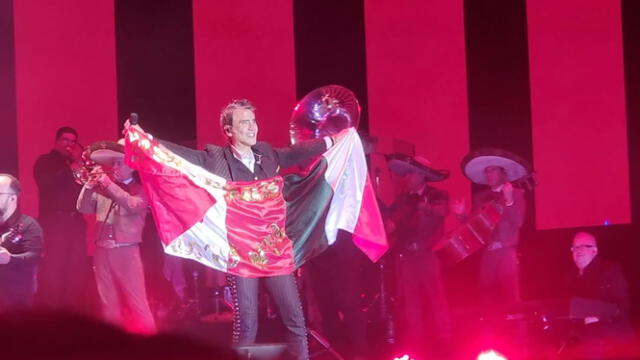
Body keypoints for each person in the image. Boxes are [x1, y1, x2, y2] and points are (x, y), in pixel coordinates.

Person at [135, 99, 336, 360]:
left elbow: (295, 152)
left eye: (253, 121)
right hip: (240, 253)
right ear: (229, 130)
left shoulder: (266, 153)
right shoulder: (217, 158)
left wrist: (332, 141)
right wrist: (146, 139)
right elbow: (181, 155)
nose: (253, 127)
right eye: (244, 122)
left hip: (273, 250)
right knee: (247, 323)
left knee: (294, 319)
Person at [77, 141, 156, 334]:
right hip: (102, 249)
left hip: (126, 251)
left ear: (131, 165)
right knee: (107, 302)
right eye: (113, 164)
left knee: (137, 302)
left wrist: (107, 183)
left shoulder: (141, 188)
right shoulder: (106, 187)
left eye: (119, 163)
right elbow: (83, 208)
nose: (115, 168)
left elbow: (132, 204)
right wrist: (88, 186)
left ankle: (152, 347)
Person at [385, 154, 452, 357]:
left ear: (422, 176)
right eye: (408, 174)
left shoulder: (437, 195)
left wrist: (426, 208)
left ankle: (445, 336)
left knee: (435, 295)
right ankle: (416, 337)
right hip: (407, 255)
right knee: (411, 298)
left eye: (412, 174)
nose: (408, 178)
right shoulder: (403, 199)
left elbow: (441, 212)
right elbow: (391, 220)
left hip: (425, 253)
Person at [453, 149, 528, 313]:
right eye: (487, 171)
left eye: (492, 169)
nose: (489, 174)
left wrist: (509, 201)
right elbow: (474, 227)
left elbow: (518, 222)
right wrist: (461, 215)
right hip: (488, 254)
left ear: (502, 173)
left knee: (511, 298)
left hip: (506, 251)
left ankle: (518, 335)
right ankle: (491, 333)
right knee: (487, 299)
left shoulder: (516, 193)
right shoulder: (481, 198)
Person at [33, 126, 91, 312]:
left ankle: (73, 310)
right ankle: (52, 311)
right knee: (54, 265)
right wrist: (69, 171)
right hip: (54, 222)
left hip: (75, 222)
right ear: (57, 141)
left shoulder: (75, 165)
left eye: (73, 142)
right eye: (66, 140)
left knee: (76, 266)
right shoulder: (45, 161)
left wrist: (84, 173)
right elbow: (46, 184)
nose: (69, 145)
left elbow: (83, 193)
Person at [562, 232, 634, 358]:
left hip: (610, 346)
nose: (578, 250)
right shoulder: (569, 277)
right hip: (584, 347)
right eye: (575, 247)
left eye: (584, 246)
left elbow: (623, 306)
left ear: (594, 251)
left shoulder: (610, 270)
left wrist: (596, 314)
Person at [0, 174, 43, 310]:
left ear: (13, 198)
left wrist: (10, 259)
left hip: (15, 299)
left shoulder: (29, 225)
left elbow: (35, 257)